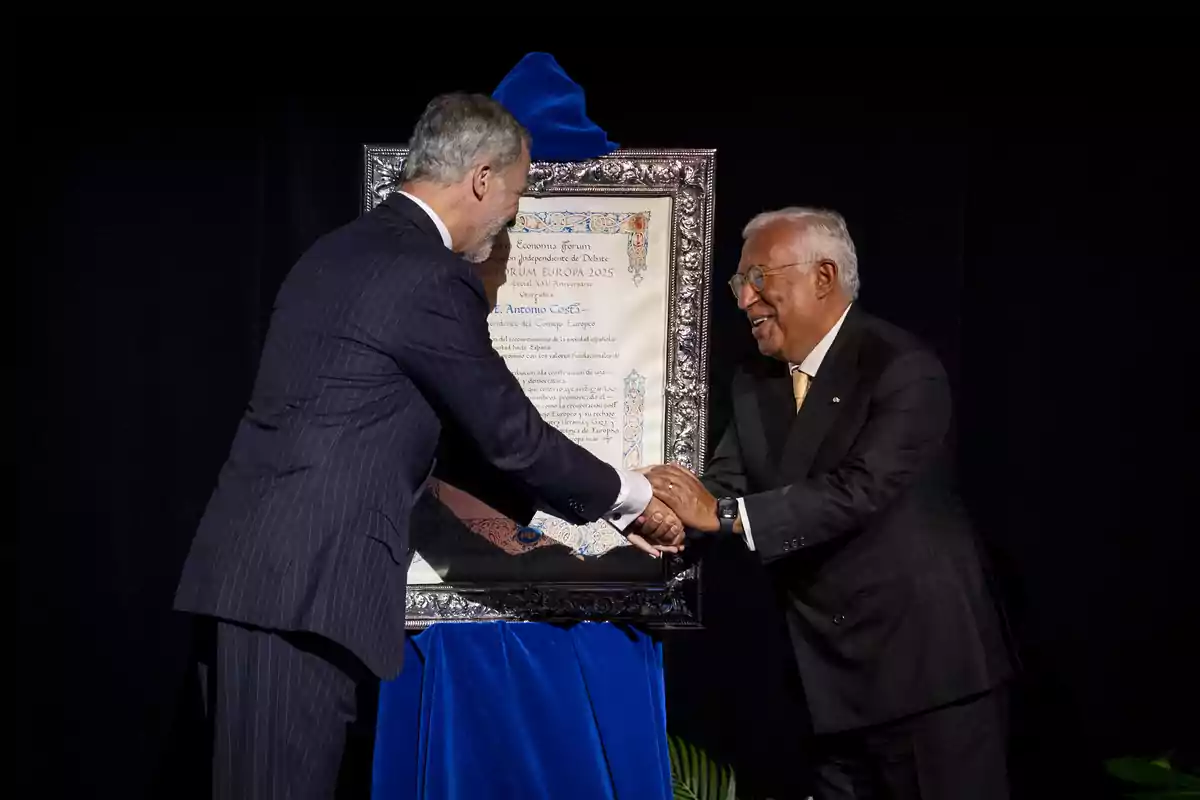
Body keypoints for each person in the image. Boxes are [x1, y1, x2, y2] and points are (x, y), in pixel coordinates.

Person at [174, 92, 683, 799]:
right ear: (481, 178)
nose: (513, 213)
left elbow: (446, 438)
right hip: (300, 588)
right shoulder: (429, 272)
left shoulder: (346, 248)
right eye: (516, 193)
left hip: (270, 581)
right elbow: (513, 437)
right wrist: (633, 501)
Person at [644, 208, 1014, 799]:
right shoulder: (754, 380)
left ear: (823, 276)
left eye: (760, 279)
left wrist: (722, 515)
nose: (745, 300)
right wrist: (652, 510)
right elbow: (722, 486)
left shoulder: (901, 368)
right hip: (825, 686)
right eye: (741, 284)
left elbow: (859, 490)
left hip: (927, 679)